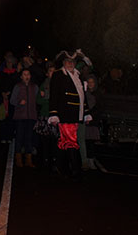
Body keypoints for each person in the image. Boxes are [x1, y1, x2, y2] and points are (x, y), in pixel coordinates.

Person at [48, 51, 92, 180]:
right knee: (71, 140)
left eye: (72, 61)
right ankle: (75, 169)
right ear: (63, 63)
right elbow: (54, 96)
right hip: (65, 114)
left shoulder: (79, 76)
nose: (70, 63)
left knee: (64, 141)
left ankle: (58, 166)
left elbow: (82, 97)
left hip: (76, 114)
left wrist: (86, 113)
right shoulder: (58, 75)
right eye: (67, 61)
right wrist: (54, 114)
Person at [11, 68, 39, 168]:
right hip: (20, 116)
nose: (26, 76)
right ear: (21, 76)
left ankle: (28, 159)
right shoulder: (18, 87)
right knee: (19, 137)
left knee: (29, 138)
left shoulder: (34, 87)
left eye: (28, 74)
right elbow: (12, 100)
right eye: (24, 74)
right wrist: (19, 103)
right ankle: (18, 159)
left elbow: (38, 100)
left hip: (31, 116)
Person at [35, 63, 57, 171]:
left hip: (55, 116)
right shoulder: (44, 85)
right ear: (47, 73)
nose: (52, 73)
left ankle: (53, 160)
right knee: (44, 140)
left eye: (54, 71)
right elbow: (38, 100)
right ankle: (45, 159)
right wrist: (46, 100)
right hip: (45, 115)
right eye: (50, 71)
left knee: (54, 140)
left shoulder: (59, 85)